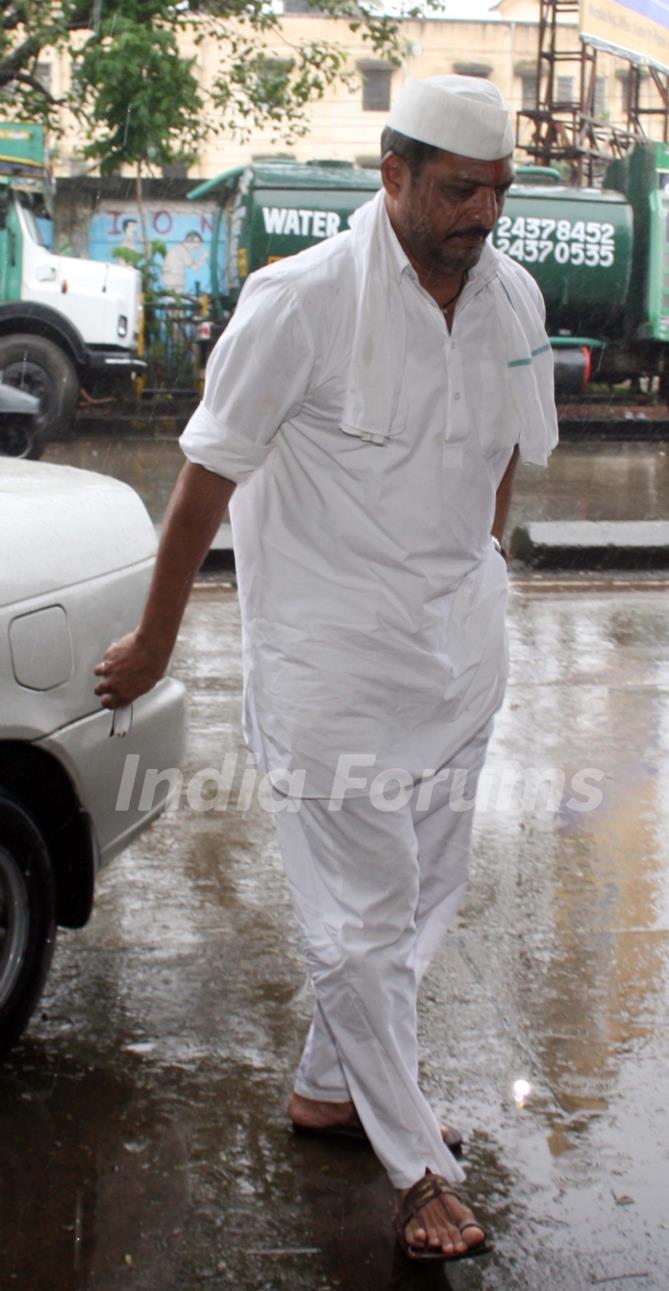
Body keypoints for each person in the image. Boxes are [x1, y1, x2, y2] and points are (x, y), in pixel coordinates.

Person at [95, 75, 557, 1262]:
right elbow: (207, 480)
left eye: (499, 191)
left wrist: (480, 571)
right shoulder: (296, 302)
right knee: (357, 922)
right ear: (392, 174)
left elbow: (507, 455)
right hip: (330, 663)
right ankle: (416, 1167)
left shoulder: (514, 297)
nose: (482, 215)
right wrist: (157, 639)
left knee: (419, 898)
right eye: (459, 190)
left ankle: (332, 1085)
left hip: (457, 656)